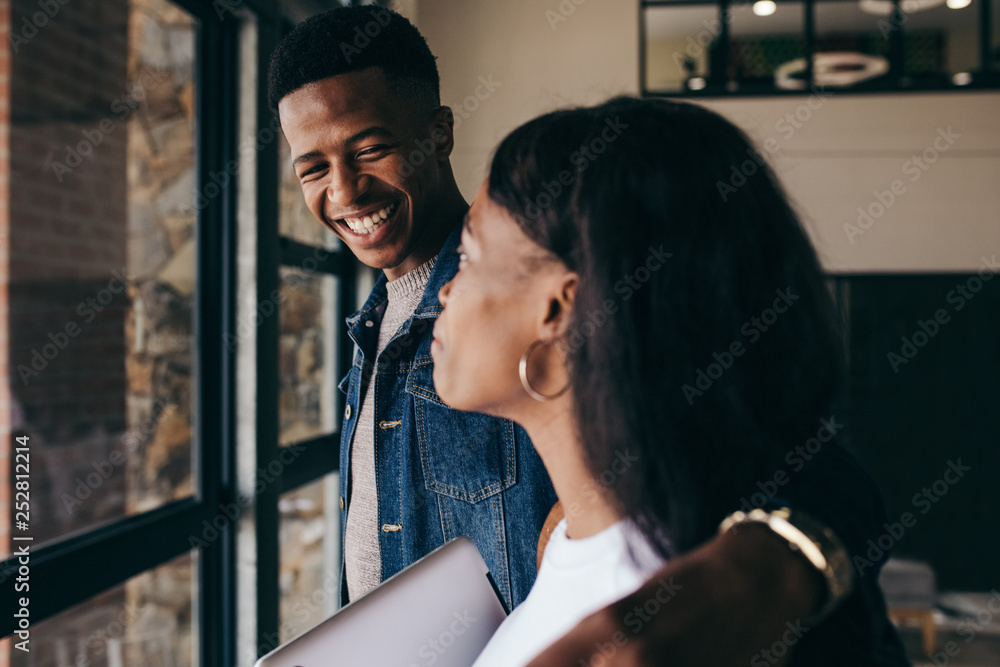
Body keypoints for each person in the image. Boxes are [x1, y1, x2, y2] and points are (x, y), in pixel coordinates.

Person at [268, 7, 902, 663]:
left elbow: (796, 460)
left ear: (438, 133)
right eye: (312, 167)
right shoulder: (373, 328)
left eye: (370, 149)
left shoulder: (551, 302)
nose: (342, 189)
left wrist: (757, 569)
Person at [430, 97, 910, 666]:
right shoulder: (579, 535)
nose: (444, 290)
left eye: (466, 256)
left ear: (559, 309)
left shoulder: (668, 627)